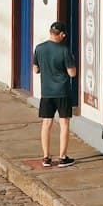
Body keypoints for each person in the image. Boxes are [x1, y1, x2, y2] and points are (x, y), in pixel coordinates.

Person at [32, 21, 78, 168]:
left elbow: (36, 70)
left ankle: (46, 157)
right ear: (62, 34)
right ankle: (63, 157)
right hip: (62, 92)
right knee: (64, 123)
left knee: (46, 123)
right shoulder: (64, 50)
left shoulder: (39, 48)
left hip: (46, 92)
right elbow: (72, 73)